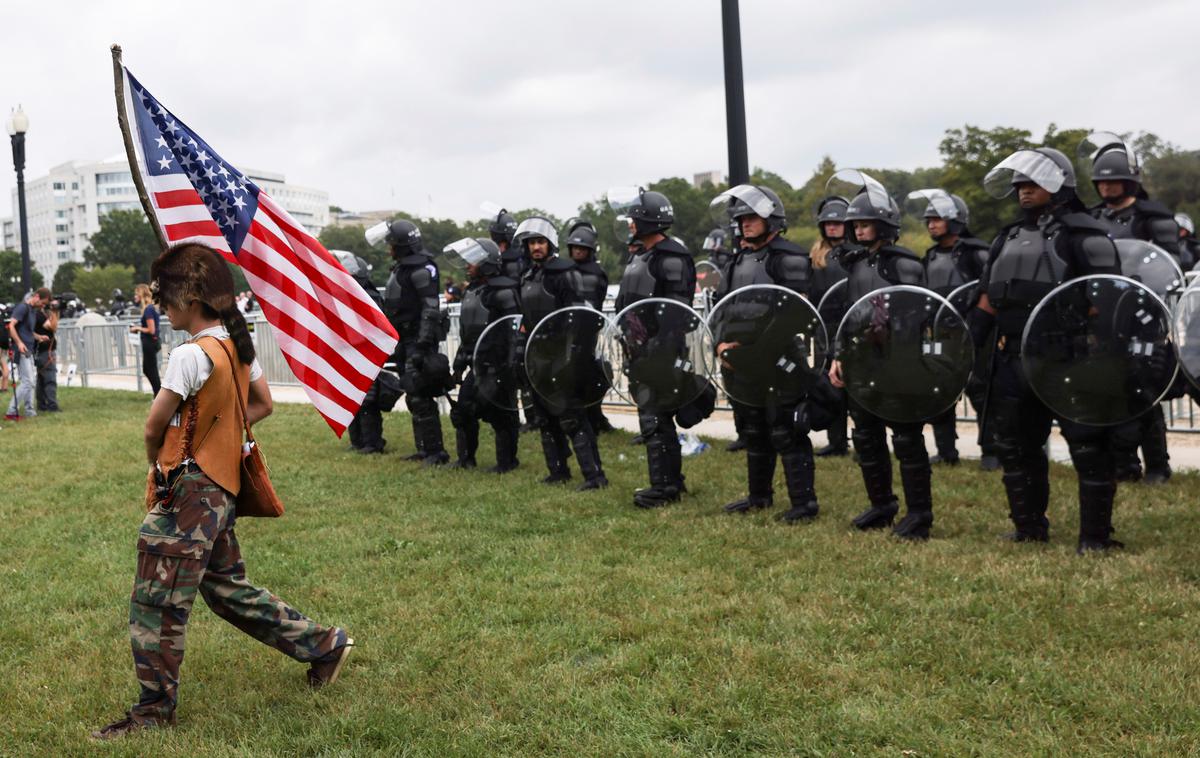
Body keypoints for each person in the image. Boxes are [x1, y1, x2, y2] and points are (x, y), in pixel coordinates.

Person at [92, 243, 352, 741]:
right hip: (222, 487)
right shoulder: (236, 345)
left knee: (157, 601)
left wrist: (159, 457)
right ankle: (325, 646)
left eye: (167, 298)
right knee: (228, 590)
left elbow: (153, 425)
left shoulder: (190, 353)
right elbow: (263, 404)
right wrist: (216, 431)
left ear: (188, 300)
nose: (163, 306)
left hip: (187, 492)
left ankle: (152, 714)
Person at [968, 147, 1124, 552]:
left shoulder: (1083, 234)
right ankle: (1028, 527)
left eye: (1032, 182)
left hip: (1069, 354)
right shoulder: (1008, 235)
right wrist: (968, 343)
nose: (1022, 190)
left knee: (1089, 446)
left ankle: (1095, 538)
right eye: (1018, 183)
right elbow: (988, 298)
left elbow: (1105, 301)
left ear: (1059, 185)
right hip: (1013, 356)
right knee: (1015, 445)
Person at [826, 173, 934, 540]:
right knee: (867, 436)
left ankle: (919, 514)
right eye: (855, 223)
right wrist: (839, 354)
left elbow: (921, 314)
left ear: (884, 223)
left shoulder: (904, 264)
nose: (859, 228)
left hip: (898, 362)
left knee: (905, 438)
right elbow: (850, 313)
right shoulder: (856, 264)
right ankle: (882, 504)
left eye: (866, 222)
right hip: (861, 361)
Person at [712, 184, 821, 523]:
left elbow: (794, 312)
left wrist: (759, 351)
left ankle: (804, 504)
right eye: (741, 217)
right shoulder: (736, 260)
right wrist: (719, 343)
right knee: (754, 429)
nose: (745, 223)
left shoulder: (788, 257)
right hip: (741, 360)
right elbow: (721, 307)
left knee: (785, 431)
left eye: (753, 216)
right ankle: (759, 496)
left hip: (779, 356)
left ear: (771, 218)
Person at [1084, 134, 1178, 485]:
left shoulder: (1154, 218)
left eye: (1113, 179)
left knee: (1143, 388)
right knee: (1108, 386)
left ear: (1131, 180)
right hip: (1103, 314)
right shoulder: (1091, 219)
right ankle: (1123, 465)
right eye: (1101, 180)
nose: (1106, 186)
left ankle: (1157, 465)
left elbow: (1173, 264)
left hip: (1144, 316)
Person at [612, 188, 697, 508]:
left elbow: (676, 311)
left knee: (655, 418)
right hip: (640, 349)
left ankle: (664, 488)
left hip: (662, 351)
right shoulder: (640, 255)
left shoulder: (671, 256)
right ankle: (671, 482)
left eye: (635, 219)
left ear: (649, 221)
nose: (631, 224)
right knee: (653, 418)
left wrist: (659, 350)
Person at [515, 217, 609, 490]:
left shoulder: (565, 273)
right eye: (532, 242)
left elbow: (579, 317)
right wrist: (520, 349)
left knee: (571, 415)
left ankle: (594, 476)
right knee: (544, 415)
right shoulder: (528, 275)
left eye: (540, 242)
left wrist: (572, 357)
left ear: (550, 244)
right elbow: (526, 318)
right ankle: (558, 470)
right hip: (538, 355)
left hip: (563, 354)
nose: (536, 247)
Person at [912, 190, 997, 469]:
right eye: (929, 220)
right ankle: (946, 451)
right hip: (942, 332)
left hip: (975, 332)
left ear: (955, 220)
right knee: (941, 390)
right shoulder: (931, 256)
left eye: (937, 219)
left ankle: (991, 452)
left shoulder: (977, 252)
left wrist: (978, 328)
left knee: (981, 389)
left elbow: (989, 290)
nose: (931, 224)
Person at [373, 219, 451, 465]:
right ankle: (424, 449)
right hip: (405, 339)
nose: (389, 249)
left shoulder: (422, 268)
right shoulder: (403, 268)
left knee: (421, 394)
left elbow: (430, 309)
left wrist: (423, 344)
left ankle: (436, 452)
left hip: (418, 339)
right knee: (413, 394)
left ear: (403, 245)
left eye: (392, 245)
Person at [447, 238, 522, 472]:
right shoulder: (473, 290)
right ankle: (465, 459)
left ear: (487, 262)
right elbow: (468, 332)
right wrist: (459, 363)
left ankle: (507, 463)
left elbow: (515, 329)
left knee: (501, 415)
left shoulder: (504, 290)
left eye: (473, 260)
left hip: (499, 364)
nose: (467, 265)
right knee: (464, 411)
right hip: (477, 364)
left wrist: (511, 364)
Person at [563, 218, 617, 435]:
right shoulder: (566, 270)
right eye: (574, 247)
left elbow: (595, 300)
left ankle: (593, 415)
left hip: (587, 330)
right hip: (568, 331)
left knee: (588, 373)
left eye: (582, 248)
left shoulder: (596, 273)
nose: (577, 251)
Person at [809, 196, 852, 458]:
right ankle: (836, 441)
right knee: (830, 384)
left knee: (855, 383)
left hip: (851, 324)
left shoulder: (855, 253)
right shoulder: (815, 256)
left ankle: (866, 437)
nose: (832, 227)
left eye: (837, 223)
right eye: (828, 223)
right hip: (825, 327)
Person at [5, 287, 51, 421]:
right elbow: (11, 326)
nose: (43, 306)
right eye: (42, 303)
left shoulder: (32, 311)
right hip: (21, 349)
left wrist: (39, 337)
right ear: (36, 296)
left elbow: (28, 332)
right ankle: (11, 411)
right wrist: (19, 343)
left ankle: (29, 410)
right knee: (27, 382)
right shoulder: (22, 308)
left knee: (32, 382)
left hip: (29, 348)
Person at [131, 284, 162, 396]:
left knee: (151, 370)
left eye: (136, 293)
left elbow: (151, 330)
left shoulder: (148, 309)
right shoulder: (149, 308)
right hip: (150, 342)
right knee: (147, 369)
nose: (135, 296)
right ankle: (157, 394)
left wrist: (137, 328)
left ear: (141, 294)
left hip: (150, 342)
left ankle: (158, 395)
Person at [34, 297, 60, 412]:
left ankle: (41, 405)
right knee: (50, 379)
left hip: (40, 351)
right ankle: (52, 405)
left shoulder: (36, 315)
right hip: (46, 352)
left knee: (41, 379)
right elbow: (53, 327)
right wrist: (54, 313)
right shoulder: (39, 316)